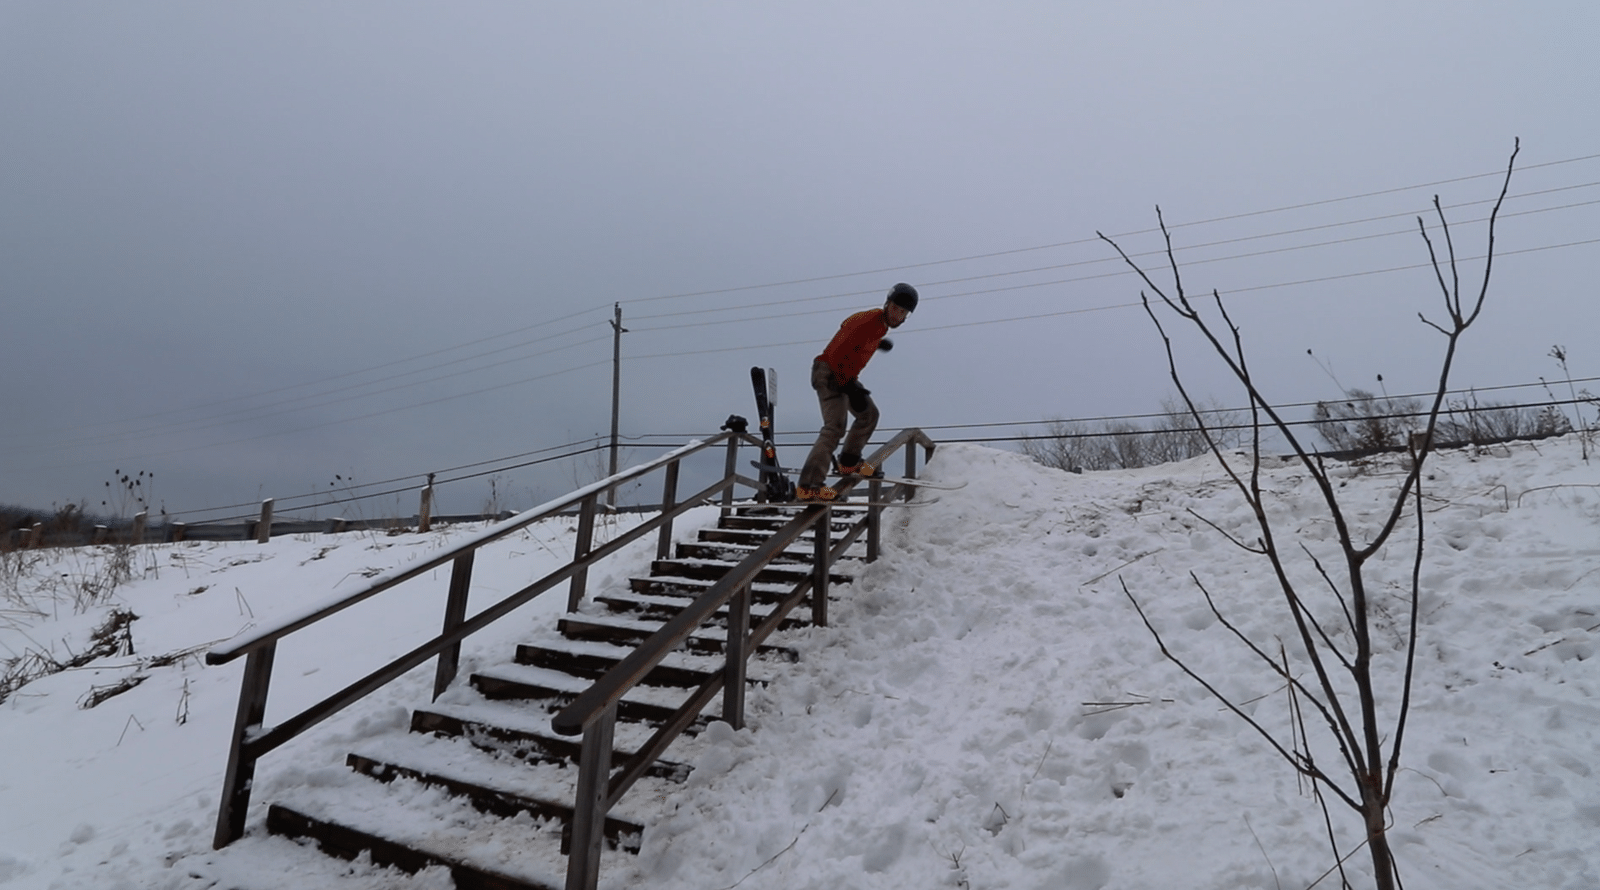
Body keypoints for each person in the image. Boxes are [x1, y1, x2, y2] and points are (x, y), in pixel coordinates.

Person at [796, 283, 918, 501]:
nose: (897, 316)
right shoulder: (867, 321)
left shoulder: (879, 327)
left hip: (846, 377)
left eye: (903, 313)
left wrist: (876, 344)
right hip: (829, 373)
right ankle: (809, 486)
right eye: (895, 309)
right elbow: (838, 349)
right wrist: (848, 387)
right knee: (834, 428)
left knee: (869, 415)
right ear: (887, 304)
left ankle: (848, 462)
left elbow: (858, 343)